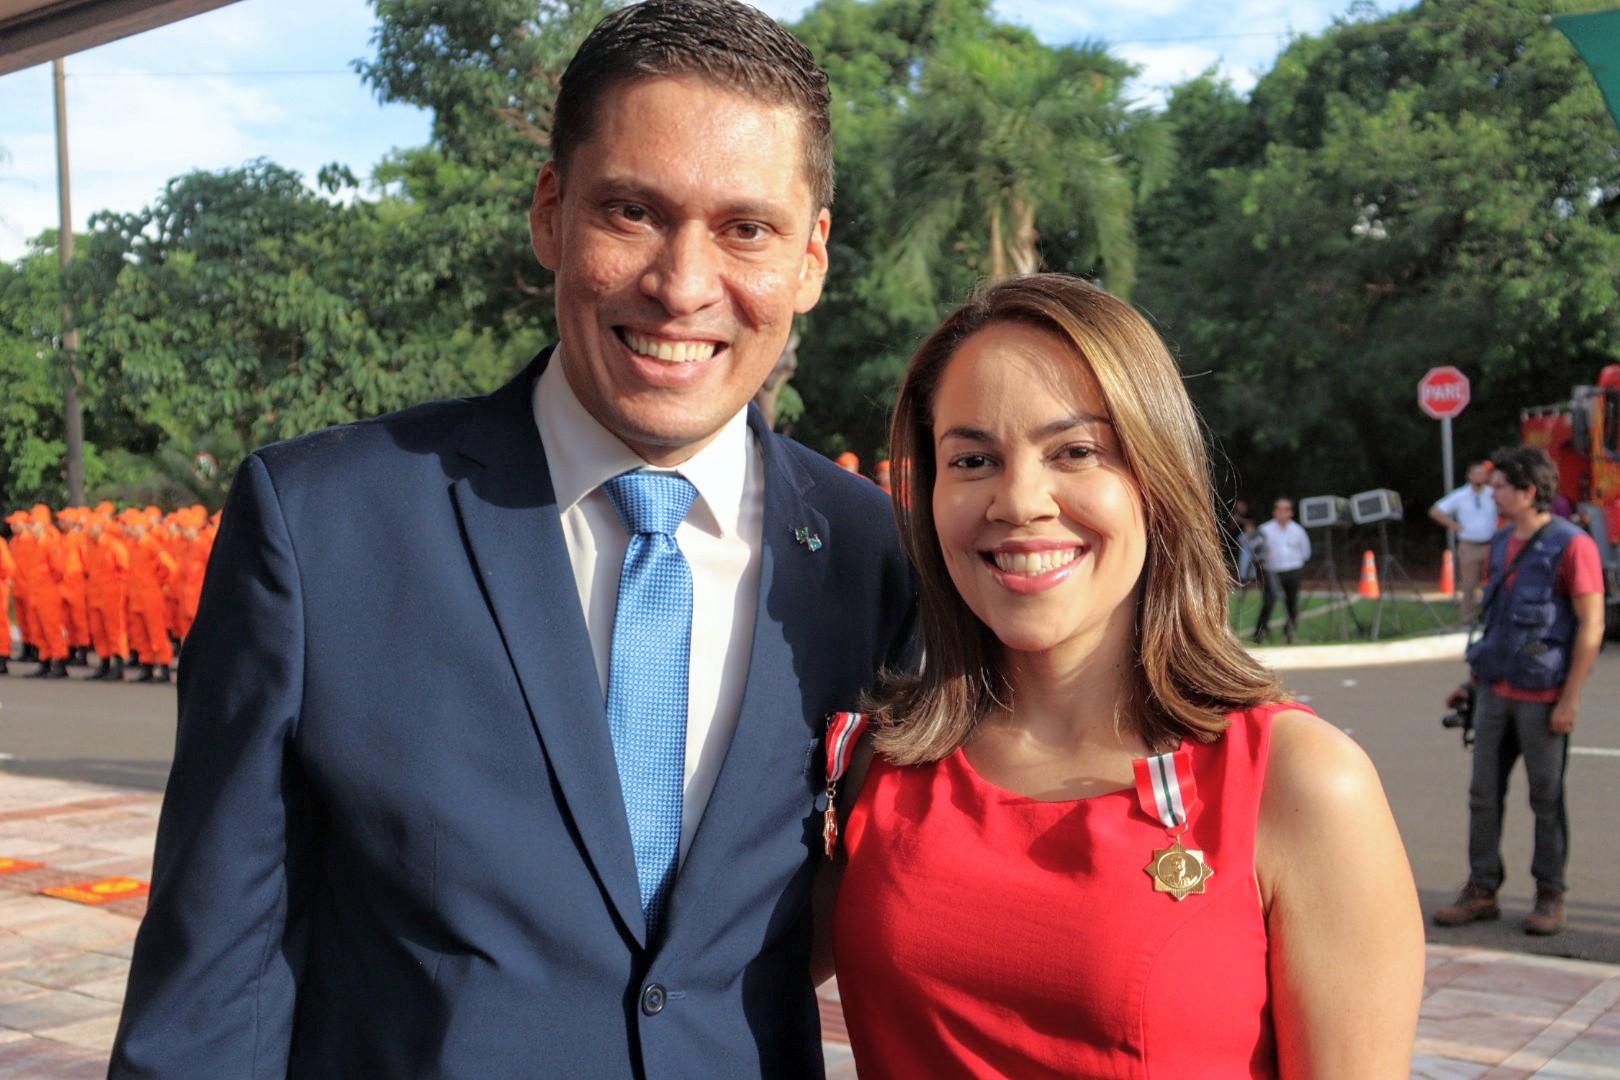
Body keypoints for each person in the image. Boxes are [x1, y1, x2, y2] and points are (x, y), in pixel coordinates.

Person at [109, 2, 917, 1076]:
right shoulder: (322, 528)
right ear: (550, 213)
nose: (682, 285)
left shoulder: (872, 556)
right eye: (632, 211)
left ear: (811, 259)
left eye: (746, 229)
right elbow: (214, 982)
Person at [821, 275, 1423, 1078]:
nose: (1019, 501)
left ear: (1156, 477)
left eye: (1075, 452)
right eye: (973, 460)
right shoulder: (874, 766)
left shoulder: (1299, 783)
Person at [1433, 446, 1602, 937]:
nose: (1493, 495)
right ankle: (1482, 888)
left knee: (1545, 797)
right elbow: (1498, 623)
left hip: (1544, 698)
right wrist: (1471, 683)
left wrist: (1570, 698)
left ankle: (1550, 892)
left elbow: (1591, 626)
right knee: (1482, 795)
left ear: (1528, 492)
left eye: (1501, 487)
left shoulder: (1573, 545)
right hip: (1494, 691)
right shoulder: (1503, 541)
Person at [1429, 461, 1498, 623]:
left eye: (1484, 474)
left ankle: (1492, 617)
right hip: (1469, 545)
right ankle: (1467, 619)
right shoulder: (1460, 495)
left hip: (1491, 544)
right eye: (1478, 473)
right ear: (1470, 476)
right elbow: (1436, 511)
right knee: (1469, 585)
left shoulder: (1492, 494)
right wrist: (1455, 526)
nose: (1481, 477)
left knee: (1493, 582)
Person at [1253, 496, 1311, 643]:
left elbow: (1305, 551)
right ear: (1274, 512)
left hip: (1293, 570)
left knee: (1292, 603)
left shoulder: (1298, 530)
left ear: (1291, 512)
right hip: (1272, 571)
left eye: (1286, 510)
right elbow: (1257, 550)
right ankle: (1261, 632)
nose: (1282, 513)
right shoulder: (1265, 529)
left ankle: (1289, 633)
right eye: (1279, 510)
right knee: (1269, 602)